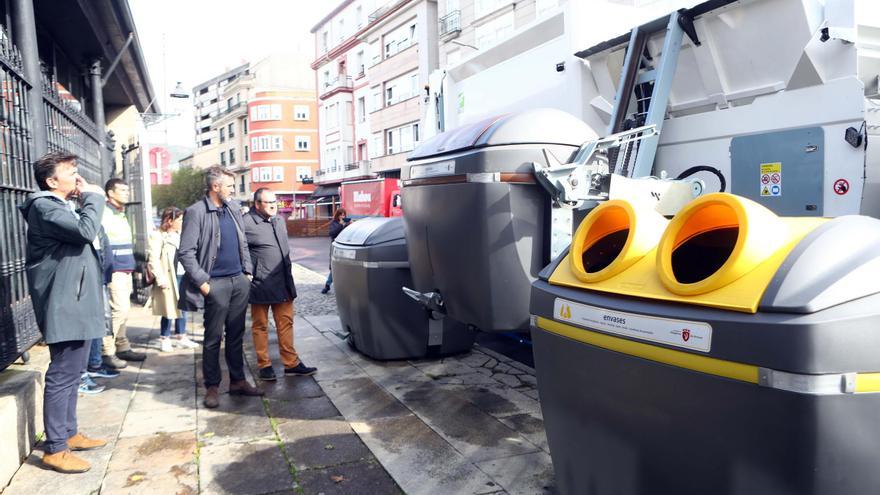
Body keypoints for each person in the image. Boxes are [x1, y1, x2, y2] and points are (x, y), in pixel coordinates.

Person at [19, 152, 109, 473]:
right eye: (70, 172)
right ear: (51, 181)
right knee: (62, 373)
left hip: (75, 299)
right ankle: (55, 448)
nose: (77, 177)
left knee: (73, 371)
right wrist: (94, 198)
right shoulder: (44, 206)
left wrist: (85, 201)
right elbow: (85, 231)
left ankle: (68, 433)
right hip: (64, 301)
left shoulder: (60, 205)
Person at [178, 166, 263, 409]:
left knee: (236, 335)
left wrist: (247, 272)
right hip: (215, 284)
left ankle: (238, 381)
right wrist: (204, 283)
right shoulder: (196, 212)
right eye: (230, 186)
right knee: (213, 338)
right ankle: (212, 386)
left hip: (239, 281)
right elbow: (186, 252)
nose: (233, 190)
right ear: (215, 187)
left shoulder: (233, 207)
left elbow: (242, 242)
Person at [244, 188, 317, 381]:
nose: (273, 206)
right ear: (257, 204)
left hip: (283, 281)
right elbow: (239, 250)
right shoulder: (246, 223)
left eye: (274, 202)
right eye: (268, 202)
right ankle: (264, 365)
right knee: (260, 326)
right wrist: (247, 272)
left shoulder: (278, 220)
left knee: (286, 323)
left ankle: (291, 363)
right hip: (260, 284)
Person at [101, 178, 146, 364]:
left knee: (124, 311)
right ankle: (107, 351)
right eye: (122, 190)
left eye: (127, 190)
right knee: (119, 310)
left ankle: (122, 346)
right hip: (115, 269)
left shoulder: (120, 212)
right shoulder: (105, 213)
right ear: (110, 193)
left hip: (126, 267)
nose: (127, 194)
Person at [149, 207, 199, 352]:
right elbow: (153, 259)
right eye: (180, 219)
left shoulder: (181, 234)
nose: (182, 222)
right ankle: (165, 338)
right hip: (168, 277)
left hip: (183, 275)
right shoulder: (158, 236)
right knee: (168, 309)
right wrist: (160, 278)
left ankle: (181, 335)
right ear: (170, 221)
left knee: (183, 307)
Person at [321, 208, 349, 294]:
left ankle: (345, 286)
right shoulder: (334, 223)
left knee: (345, 266)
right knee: (334, 266)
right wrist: (340, 225)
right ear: (337, 215)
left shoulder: (346, 223)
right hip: (336, 246)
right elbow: (332, 233)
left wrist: (349, 225)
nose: (342, 216)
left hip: (345, 246)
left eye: (344, 215)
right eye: (341, 215)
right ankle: (327, 285)